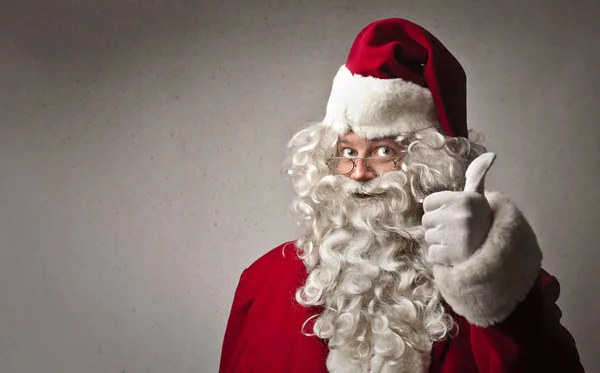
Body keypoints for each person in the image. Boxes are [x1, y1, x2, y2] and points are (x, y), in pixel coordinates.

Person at [218, 18, 584, 373]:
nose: (359, 173)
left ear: (433, 166)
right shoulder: (263, 282)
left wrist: (483, 268)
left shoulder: (506, 294)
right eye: (347, 152)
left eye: (384, 152)